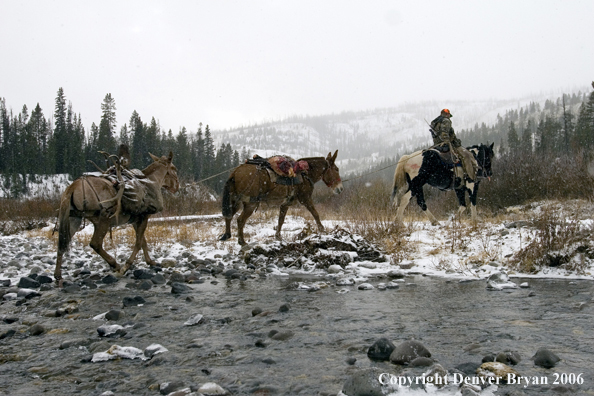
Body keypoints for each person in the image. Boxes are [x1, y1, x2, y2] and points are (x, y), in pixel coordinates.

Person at [430, 109, 478, 181]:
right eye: (448, 114)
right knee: (467, 155)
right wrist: (447, 141)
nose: (449, 116)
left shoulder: (435, 122)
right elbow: (444, 132)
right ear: (446, 114)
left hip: (437, 144)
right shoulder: (446, 120)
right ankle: (472, 176)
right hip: (449, 144)